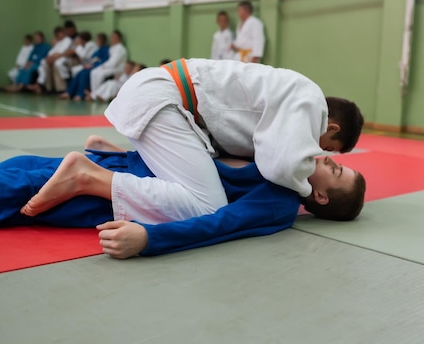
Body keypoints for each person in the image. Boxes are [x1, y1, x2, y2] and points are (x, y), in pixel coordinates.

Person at [0, 138, 365, 259]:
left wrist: (149, 240)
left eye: (334, 170)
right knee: (11, 166)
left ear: (321, 198)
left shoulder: (277, 201)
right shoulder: (278, 154)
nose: (328, 159)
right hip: (114, 165)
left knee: (3, 190)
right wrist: (121, 151)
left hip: (109, 196)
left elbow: (217, 224)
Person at [103, 59, 364, 223]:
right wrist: (306, 190)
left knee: (201, 172)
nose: (320, 153)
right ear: (331, 126)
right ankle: (92, 178)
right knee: (208, 205)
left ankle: (114, 153)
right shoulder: (311, 102)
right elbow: (280, 167)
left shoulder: (294, 101)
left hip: (163, 99)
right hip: (161, 101)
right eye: (327, 146)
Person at [60, 33, 109, 101]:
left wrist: (93, 65)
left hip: (96, 67)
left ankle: (80, 94)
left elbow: (104, 61)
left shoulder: (105, 49)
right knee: (79, 73)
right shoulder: (98, 50)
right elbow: (92, 59)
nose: (97, 41)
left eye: (98, 40)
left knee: (84, 74)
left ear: (102, 40)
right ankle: (69, 92)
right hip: (90, 66)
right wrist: (88, 64)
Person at [31, 26, 74, 94]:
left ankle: (60, 88)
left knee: (57, 64)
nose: (58, 35)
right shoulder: (58, 41)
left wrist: (52, 58)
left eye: (59, 33)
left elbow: (61, 52)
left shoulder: (67, 40)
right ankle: (49, 88)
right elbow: (52, 51)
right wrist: (49, 57)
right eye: (57, 34)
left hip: (64, 58)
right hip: (54, 58)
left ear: (63, 33)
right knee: (44, 64)